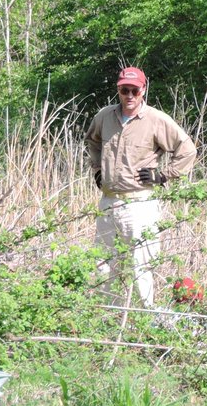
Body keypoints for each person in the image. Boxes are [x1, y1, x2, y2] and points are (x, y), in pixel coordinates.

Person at [84, 66, 197, 308]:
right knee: (103, 264)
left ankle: (145, 322)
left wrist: (164, 176)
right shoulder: (104, 117)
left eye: (135, 90)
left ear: (143, 89)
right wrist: (96, 170)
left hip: (140, 203)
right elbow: (91, 141)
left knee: (140, 264)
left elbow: (187, 149)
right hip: (108, 202)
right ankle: (107, 319)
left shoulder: (156, 119)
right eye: (125, 90)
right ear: (118, 90)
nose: (129, 96)